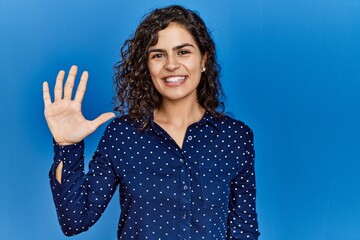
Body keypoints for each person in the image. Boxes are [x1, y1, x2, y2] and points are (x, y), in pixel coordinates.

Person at [43, 5, 260, 240]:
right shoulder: (122, 135)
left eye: (183, 52)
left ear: (204, 59)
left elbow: (243, 231)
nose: (171, 64)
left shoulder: (235, 137)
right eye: (158, 54)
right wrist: (67, 146)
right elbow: (74, 221)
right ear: (147, 66)